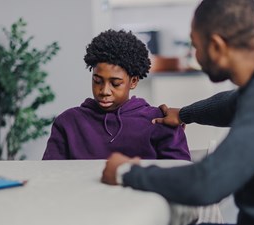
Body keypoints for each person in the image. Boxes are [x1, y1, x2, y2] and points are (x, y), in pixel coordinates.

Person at [101, 1, 254, 225]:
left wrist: (127, 172)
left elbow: (208, 183)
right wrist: (185, 114)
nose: (195, 56)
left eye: (196, 46)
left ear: (217, 46)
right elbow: (232, 103)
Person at [42, 29, 190, 160]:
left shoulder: (160, 121)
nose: (104, 91)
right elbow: (50, 177)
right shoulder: (68, 122)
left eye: (115, 83)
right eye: (97, 81)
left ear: (133, 82)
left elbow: (180, 177)